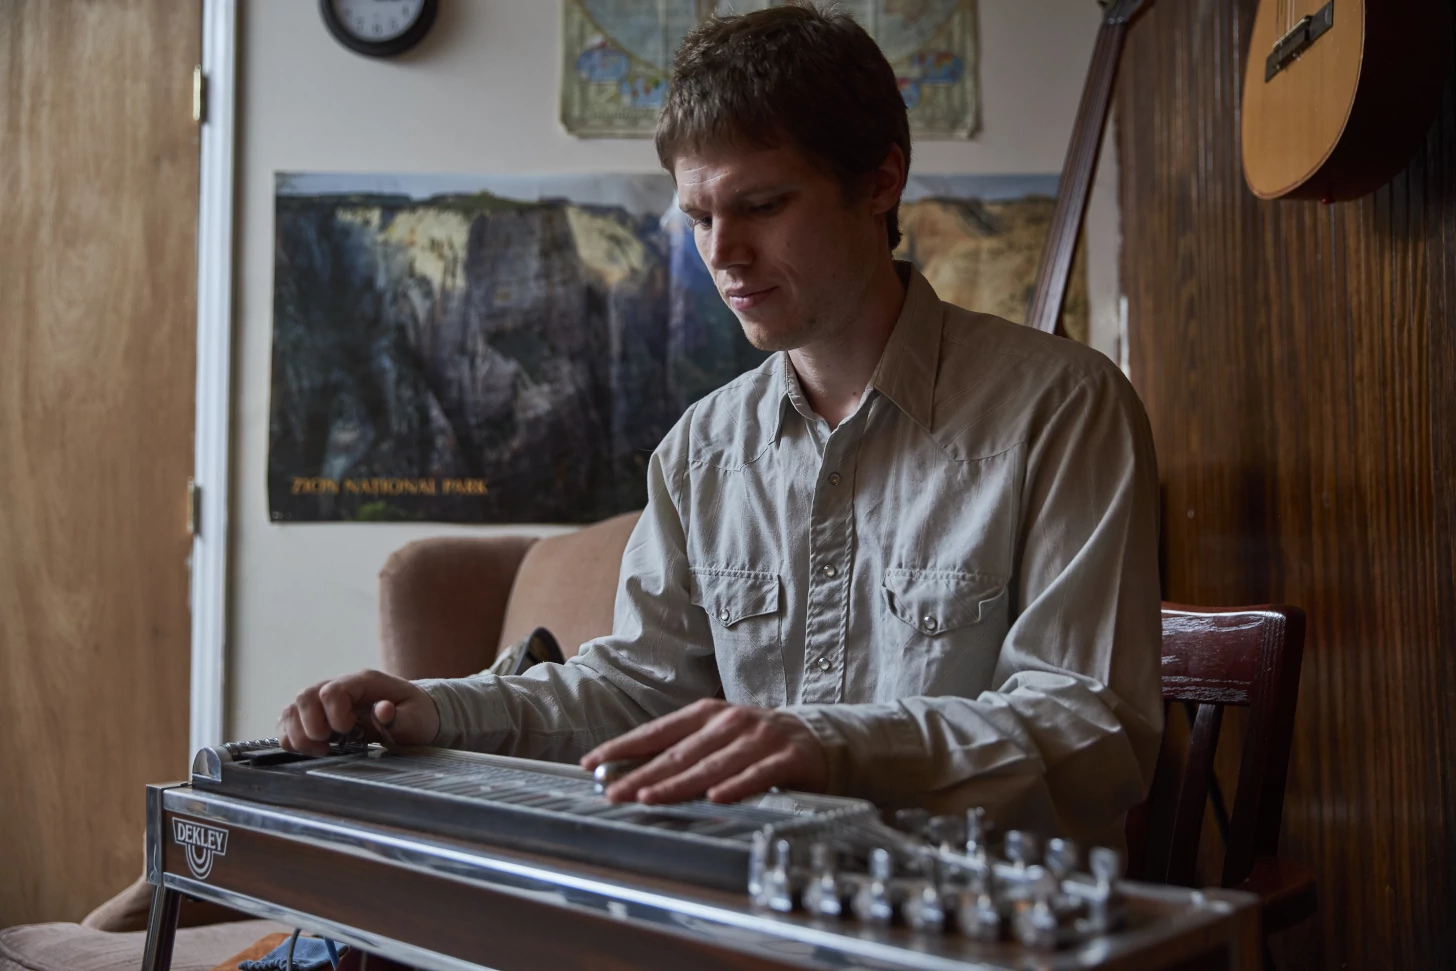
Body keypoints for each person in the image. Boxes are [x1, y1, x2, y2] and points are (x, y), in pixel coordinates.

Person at [278, 3, 1163, 848]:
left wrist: (832, 747)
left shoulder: (1063, 408)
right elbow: (632, 691)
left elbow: (1091, 726)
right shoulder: (701, 450)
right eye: (698, 216)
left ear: (880, 182)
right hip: (744, 909)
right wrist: (431, 709)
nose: (723, 255)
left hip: (976, 922)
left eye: (763, 206)